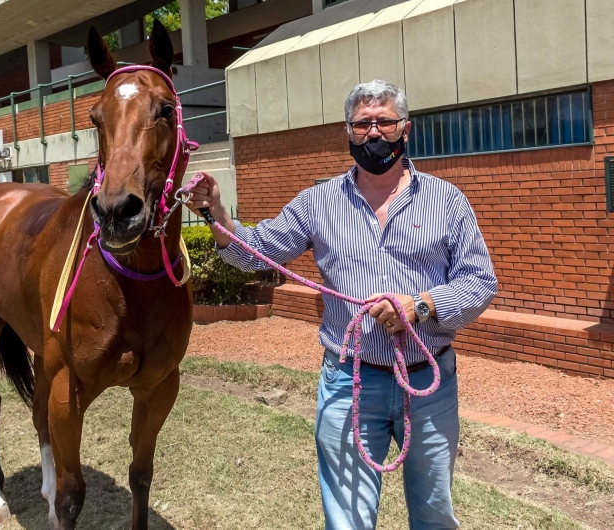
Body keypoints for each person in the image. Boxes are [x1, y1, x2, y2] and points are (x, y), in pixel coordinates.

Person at [186, 80, 497, 529]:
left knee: (434, 514)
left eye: (384, 122)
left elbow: (480, 282)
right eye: (362, 124)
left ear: (405, 128)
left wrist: (420, 306)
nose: (374, 133)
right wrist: (217, 214)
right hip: (348, 383)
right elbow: (256, 251)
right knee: (347, 520)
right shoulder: (319, 202)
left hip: (428, 382)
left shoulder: (447, 201)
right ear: (347, 132)